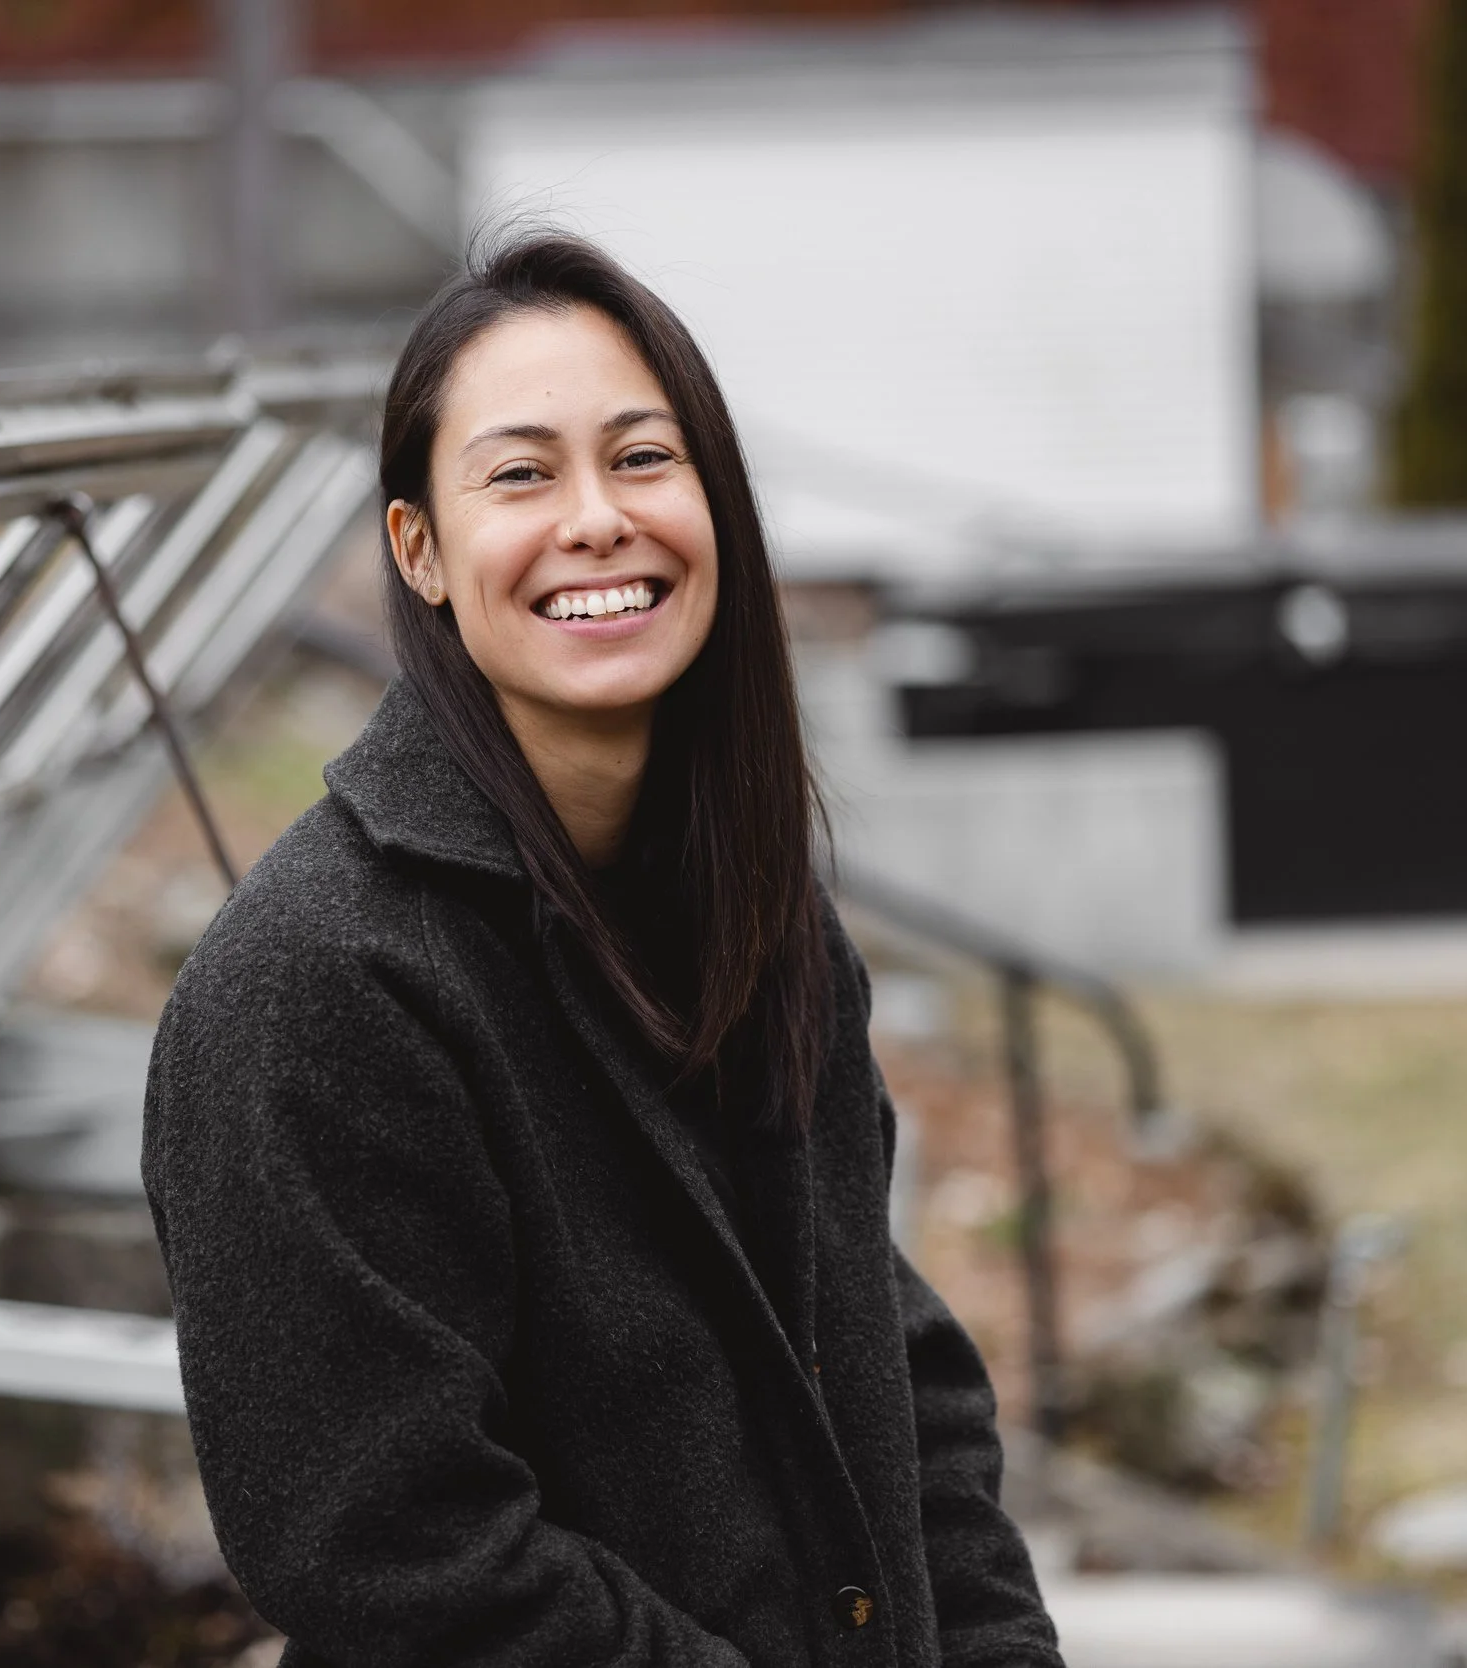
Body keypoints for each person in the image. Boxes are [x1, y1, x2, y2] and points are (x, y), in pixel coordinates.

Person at [143, 232, 1063, 1668]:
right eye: (521, 474)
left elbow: (897, 1379)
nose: (597, 520)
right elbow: (393, 1552)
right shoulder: (321, 986)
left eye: (645, 458)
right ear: (421, 553)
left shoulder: (757, 916)